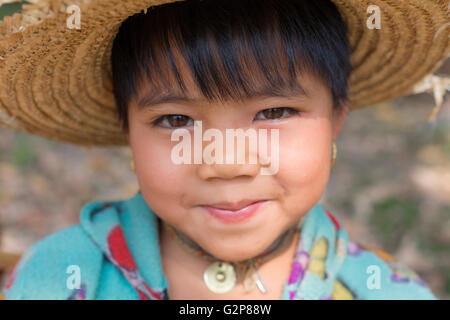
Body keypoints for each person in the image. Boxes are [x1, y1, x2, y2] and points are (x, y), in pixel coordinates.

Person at [0, 0, 448, 300]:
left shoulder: (389, 293)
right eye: (176, 121)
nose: (227, 164)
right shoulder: (54, 278)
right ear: (128, 132)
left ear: (335, 119)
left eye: (274, 112)